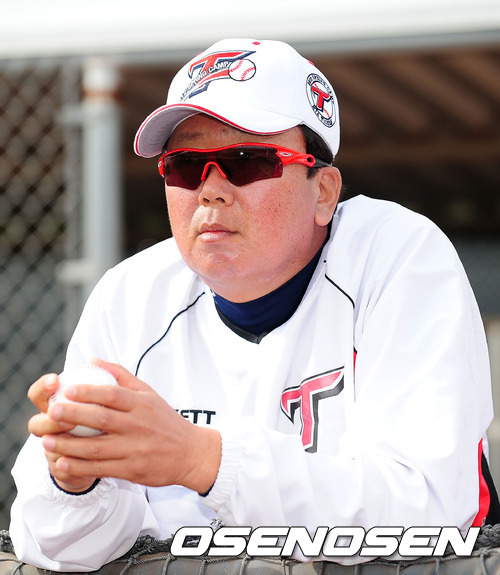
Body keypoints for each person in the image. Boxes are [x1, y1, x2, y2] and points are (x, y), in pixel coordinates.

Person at [9, 38, 499, 571]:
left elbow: (430, 512)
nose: (210, 191)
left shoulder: (396, 258)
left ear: (323, 192)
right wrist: (75, 483)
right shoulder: (131, 296)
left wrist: (201, 459)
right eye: (185, 166)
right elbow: (58, 547)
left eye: (246, 161)